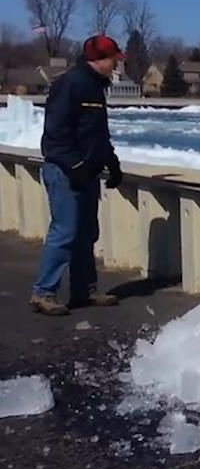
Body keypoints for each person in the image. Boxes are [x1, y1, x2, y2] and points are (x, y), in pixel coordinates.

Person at [29, 34, 126, 316]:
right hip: (64, 171)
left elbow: (96, 134)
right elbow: (56, 134)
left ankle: (84, 289)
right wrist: (75, 165)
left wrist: (111, 161)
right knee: (65, 231)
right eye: (113, 60)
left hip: (87, 171)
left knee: (86, 233)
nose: (116, 65)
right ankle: (43, 292)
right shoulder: (71, 84)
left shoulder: (96, 87)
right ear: (99, 60)